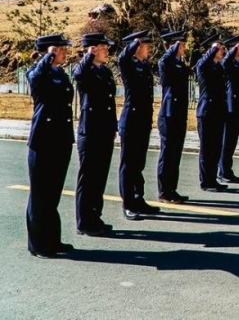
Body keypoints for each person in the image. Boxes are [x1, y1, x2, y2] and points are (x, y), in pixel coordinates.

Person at [25, 33, 76, 258]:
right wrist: (47, 58)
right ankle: (38, 244)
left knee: (53, 194)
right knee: (40, 195)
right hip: (43, 140)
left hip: (61, 138)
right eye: (60, 49)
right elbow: (37, 80)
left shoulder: (60, 73)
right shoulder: (36, 72)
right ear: (49, 51)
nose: (64, 53)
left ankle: (53, 240)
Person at [73, 32, 118, 237]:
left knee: (99, 177)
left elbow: (109, 102)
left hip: (105, 130)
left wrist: (113, 127)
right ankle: (84, 221)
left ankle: (95, 217)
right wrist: (88, 56)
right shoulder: (84, 70)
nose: (107, 51)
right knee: (88, 178)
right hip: (90, 131)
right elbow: (78, 75)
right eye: (103, 48)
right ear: (93, 49)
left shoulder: (105, 72)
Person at [117, 30, 160, 221]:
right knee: (128, 165)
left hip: (143, 120)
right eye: (145, 46)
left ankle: (138, 198)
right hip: (131, 120)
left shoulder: (144, 65)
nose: (149, 49)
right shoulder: (128, 64)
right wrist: (134, 43)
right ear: (136, 48)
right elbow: (122, 58)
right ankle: (128, 204)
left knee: (138, 164)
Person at [156, 30, 190, 204]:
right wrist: (172, 48)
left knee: (176, 154)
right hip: (168, 114)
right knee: (168, 153)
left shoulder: (179, 64)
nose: (183, 47)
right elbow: (163, 60)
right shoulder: (166, 62)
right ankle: (164, 191)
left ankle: (172, 189)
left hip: (179, 113)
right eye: (180, 45)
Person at [195, 33, 228, 192]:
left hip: (218, 112)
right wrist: (213, 48)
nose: (222, 51)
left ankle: (212, 179)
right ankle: (206, 181)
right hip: (206, 112)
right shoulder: (203, 65)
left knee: (216, 148)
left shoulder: (218, 67)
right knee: (206, 149)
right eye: (219, 49)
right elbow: (202, 63)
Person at [218, 35, 239, 183]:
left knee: (232, 141)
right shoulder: (227, 63)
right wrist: (232, 50)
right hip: (230, 107)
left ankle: (227, 170)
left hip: (238, 106)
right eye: (238, 48)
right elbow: (225, 62)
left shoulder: (238, 63)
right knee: (227, 141)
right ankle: (223, 171)